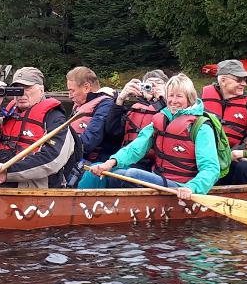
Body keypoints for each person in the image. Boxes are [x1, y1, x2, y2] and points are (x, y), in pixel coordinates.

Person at [81, 74, 222, 201]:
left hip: (182, 186)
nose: (173, 101)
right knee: (105, 171)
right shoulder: (160, 119)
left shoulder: (201, 127)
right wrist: (110, 162)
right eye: (170, 96)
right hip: (159, 179)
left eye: (179, 96)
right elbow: (136, 148)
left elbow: (211, 168)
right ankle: (86, 203)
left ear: (189, 99)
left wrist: (192, 188)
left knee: (132, 174)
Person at [65, 66, 121, 163]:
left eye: (72, 91)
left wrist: (60, 146)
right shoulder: (79, 106)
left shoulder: (105, 105)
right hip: (74, 155)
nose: (70, 96)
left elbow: (89, 141)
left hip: (95, 163)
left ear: (86, 87)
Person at [201, 59, 247, 148]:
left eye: (245, 80)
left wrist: (234, 152)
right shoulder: (200, 99)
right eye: (239, 80)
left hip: (234, 157)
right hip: (203, 151)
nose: (244, 84)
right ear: (223, 81)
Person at [112, 70, 167, 150]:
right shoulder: (133, 106)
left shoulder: (172, 107)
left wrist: (163, 100)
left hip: (155, 158)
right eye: (149, 84)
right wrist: (120, 100)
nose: (153, 87)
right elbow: (113, 131)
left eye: (158, 83)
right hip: (128, 156)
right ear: (142, 87)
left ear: (166, 87)